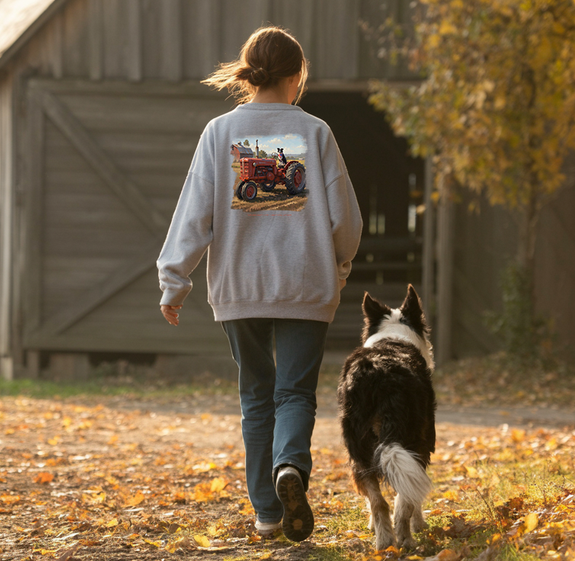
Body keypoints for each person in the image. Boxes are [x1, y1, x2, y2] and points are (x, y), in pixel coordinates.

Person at [156, 26, 363, 543]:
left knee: (256, 395)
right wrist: (338, 269)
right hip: (304, 285)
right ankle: (290, 466)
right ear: (297, 76)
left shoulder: (218, 132)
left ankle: (268, 514)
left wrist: (174, 281)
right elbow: (347, 222)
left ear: (249, 74)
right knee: (295, 393)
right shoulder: (316, 133)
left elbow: (194, 215)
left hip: (239, 286)